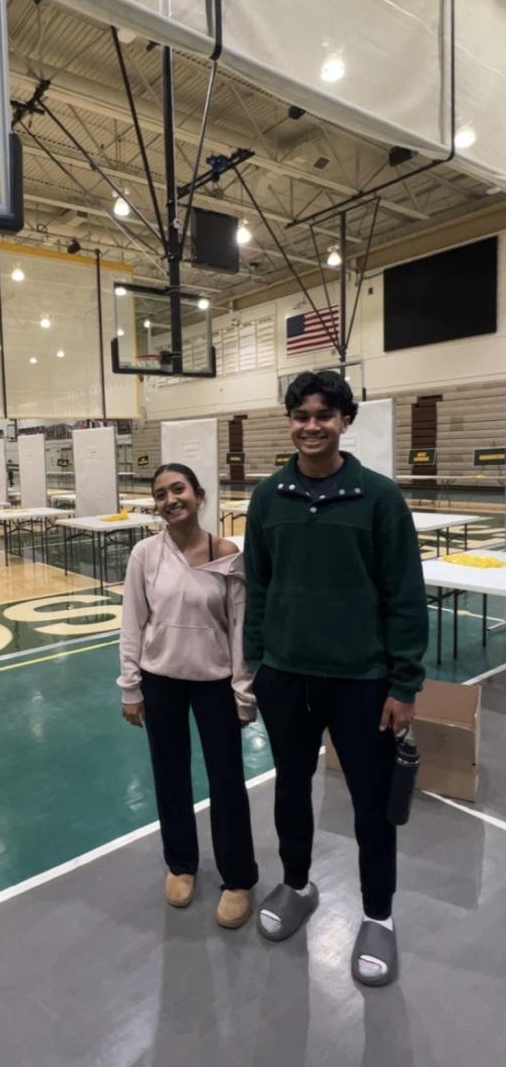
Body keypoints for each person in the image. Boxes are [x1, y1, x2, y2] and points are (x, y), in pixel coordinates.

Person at [243, 370, 428, 986]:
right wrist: (256, 663)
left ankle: (378, 916)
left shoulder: (379, 498)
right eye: (301, 415)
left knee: (371, 805)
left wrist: (403, 685)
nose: (311, 426)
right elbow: (258, 587)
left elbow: (405, 596)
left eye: (324, 415)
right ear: (290, 422)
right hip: (285, 679)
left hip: (362, 683)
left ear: (345, 421)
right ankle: (297, 885)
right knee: (291, 791)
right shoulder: (268, 498)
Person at [118, 463, 258, 928]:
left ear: (198, 494)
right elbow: (132, 623)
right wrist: (130, 686)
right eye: (160, 494)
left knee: (227, 780)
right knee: (170, 775)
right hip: (160, 682)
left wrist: (243, 692)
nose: (170, 500)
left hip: (215, 683)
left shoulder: (227, 553)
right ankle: (181, 865)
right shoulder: (145, 554)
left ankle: (238, 879)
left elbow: (239, 628)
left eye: (178, 489)